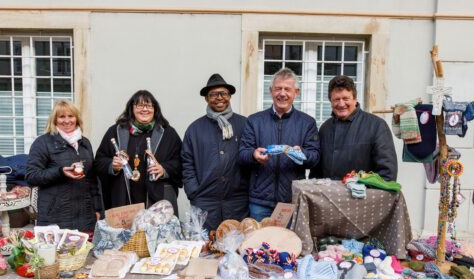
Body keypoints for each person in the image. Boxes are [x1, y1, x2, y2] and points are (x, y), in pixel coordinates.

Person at [239, 67, 320, 221]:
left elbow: (315, 157)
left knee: (287, 244)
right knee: (257, 244)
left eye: (287, 89)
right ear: (271, 91)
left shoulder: (307, 123)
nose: (282, 93)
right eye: (278, 89)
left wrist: (302, 154)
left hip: (290, 199)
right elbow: (242, 154)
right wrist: (253, 155)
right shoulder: (254, 121)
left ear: (296, 93)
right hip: (259, 202)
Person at [94, 90, 182, 214]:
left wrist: (164, 169)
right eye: (140, 105)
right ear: (132, 108)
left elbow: (181, 162)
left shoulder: (168, 133)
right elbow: (99, 162)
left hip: (157, 201)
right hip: (123, 201)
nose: (144, 109)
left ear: (155, 109)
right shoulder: (116, 131)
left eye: (149, 105)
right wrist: (112, 166)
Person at [182, 74, 249, 231]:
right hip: (205, 202)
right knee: (206, 249)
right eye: (213, 94)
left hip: (238, 201)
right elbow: (187, 163)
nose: (219, 98)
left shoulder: (245, 124)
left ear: (230, 96)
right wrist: (194, 191)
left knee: (238, 248)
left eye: (224, 93)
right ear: (206, 98)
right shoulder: (195, 129)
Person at [26, 100, 102, 231]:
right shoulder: (43, 143)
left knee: (84, 251)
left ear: (76, 119)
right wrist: (60, 172)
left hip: (85, 216)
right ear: (54, 120)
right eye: (61, 117)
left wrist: (98, 208)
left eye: (71, 116)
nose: (67, 121)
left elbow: (92, 180)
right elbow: (31, 176)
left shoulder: (85, 143)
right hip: (55, 217)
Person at [310, 75, 397, 181]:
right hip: (328, 196)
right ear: (331, 101)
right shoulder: (325, 128)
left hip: (363, 196)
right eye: (336, 99)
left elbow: (387, 173)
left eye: (346, 98)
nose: (341, 104)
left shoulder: (377, 126)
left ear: (355, 99)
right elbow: (316, 172)